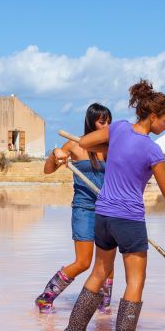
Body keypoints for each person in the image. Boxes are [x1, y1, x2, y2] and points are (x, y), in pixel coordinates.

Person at [58, 79, 165, 331]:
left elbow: (86, 143)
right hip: (129, 219)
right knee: (136, 280)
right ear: (152, 116)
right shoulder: (152, 150)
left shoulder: (120, 128)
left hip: (103, 216)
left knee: (98, 272)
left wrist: (115, 149)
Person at [35, 103, 115, 313]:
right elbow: (47, 171)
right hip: (84, 208)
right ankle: (46, 297)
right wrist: (55, 153)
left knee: (107, 263)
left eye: (108, 121)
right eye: (101, 121)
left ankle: (103, 307)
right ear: (91, 122)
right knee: (83, 262)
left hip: (109, 208)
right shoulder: (75, 144)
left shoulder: (111, 147)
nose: (106, 125)